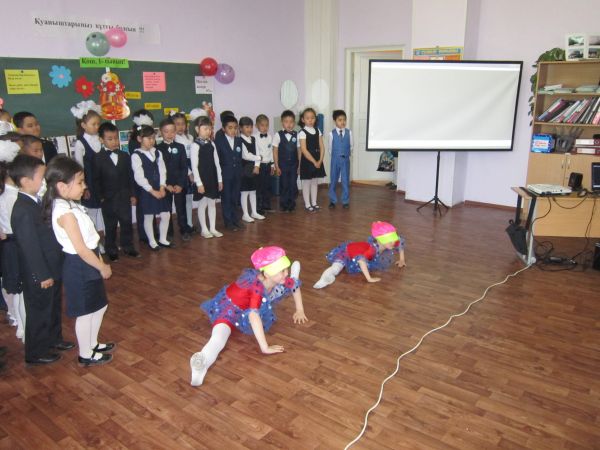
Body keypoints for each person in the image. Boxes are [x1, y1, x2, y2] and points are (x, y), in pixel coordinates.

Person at [190, 246, 307, 386]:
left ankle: (295, 275)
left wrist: (300, 310)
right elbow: (253, 316)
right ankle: (201, 364)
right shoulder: (256, 287)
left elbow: (293, 286)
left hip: (254, 302)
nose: (285, 273)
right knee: (218, 338)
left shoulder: (275, 279)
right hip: (228, 309)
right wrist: (265, 347)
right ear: (267, 273)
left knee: (283, 287)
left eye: (286, 270)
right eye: (282, 271)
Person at [44, 156, 114, 367]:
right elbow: (81, 249)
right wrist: (102, 266)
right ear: (62, 186)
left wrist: (99, 259)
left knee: (99, 306)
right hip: (80, 266)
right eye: (80, 182)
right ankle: (85, 353)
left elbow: (90, 241)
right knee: (86, 312)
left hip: (89, 261)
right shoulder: (64, 213)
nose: (84, 186)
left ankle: (92, 344)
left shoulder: (71, 205)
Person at [10, 154, 74, 365]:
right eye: (41, 177)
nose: (45, 181)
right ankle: (36, 352)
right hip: (39, 272)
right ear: (26, 181)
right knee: (39, 311)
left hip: (51, 266)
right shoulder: (22, 209)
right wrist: (42, 274)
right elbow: (30, 247)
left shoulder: (35, 202)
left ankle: (53, 339)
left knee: (52, 306)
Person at [93, 122, 139, 261]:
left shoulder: (125, 156)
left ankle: (128, 246)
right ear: (101, 140)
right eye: (110, 139)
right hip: (108, 198)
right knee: (110, 225)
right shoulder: (97, 158)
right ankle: (111, 249)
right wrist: (101, 197)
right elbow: (95, 180)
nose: (114, 142)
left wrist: (132, 194)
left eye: (116, 138)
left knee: (126, 222)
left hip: (124, 196)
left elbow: (130, 177)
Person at [313, 221, 406, 289]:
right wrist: (369, 279)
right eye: (389, 240)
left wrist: (402, 259)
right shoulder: (371, 250)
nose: (393, 242)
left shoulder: (391, 242)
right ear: (380, 240)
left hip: (360, 253)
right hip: (346, 252)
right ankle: (323, 280)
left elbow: (400, 241)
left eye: (393, 239)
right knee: (336, 268)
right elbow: (361, 260)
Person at [131, 125, 172, 251]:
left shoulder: (157, 152)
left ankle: (163, 239)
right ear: (139, 139)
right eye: (148, 138)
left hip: (159, 188)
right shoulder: (136, 155)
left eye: (153, 138)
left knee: (166, 215)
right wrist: (152, 191)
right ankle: (152, 241)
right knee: (149, 216)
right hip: (147, 191)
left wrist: (162, 187)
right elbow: (139, 177)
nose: (152, 141)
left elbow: (162, 171)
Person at [70, 101, 105, 250]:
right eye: (93, 124)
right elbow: (79, 168)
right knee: (92, 214)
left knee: (103, 213)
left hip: (103, 182)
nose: (97, 127)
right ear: (83, 125)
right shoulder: (80, 143)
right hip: (90, 183)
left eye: (98, 124)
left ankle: (105, 240)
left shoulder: (101, 140)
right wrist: (85, 188)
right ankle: (95, 243)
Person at [0, 140, 25, 341]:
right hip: (15, 243)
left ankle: (21, 321)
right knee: (19, 289)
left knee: (20, 289)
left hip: (14, 242)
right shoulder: (9, 196)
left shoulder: (10, 193)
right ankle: (21, 324)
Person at [156, 117, 191, 242]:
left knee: (181, 208)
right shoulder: (157, 149)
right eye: (166, 131)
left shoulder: (180, 147)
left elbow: (184, 167)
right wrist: (166, 184)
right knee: (167, 210)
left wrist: (180, 184)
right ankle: (169, 232)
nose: (169, 134)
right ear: (161, 132)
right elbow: (158, 169)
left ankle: (184, 230)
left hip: (179, 184)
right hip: (166, 185)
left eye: (172, 131)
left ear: (175, 132)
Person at [191, 116, 223, 238]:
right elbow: (194, 166)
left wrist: (219, 179)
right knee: (203, 203)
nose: (208, 131)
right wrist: (199, 183)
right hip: (202, 180)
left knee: (212, 203)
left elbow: (217, 163)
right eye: (205, 129)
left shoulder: (212, 144)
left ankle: (213, 228)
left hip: (212, 178)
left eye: (210, 129)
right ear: (197, 129)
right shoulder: (195, 145)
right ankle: (204, 229)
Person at [214, 115, 244, 231]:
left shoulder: (239, 140)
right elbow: (217, 160)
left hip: (237, 174)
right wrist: (219, 178)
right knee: (226, 198)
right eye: (230, 128)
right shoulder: (219, 142)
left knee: (235, 197)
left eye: (235, 128)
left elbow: (240, 157)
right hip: (225, 175)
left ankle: (235, 219)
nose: (233, 130)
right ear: (223, 128)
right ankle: (228, 222)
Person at [173, 111, 197, 234]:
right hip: (181, 171)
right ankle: (183, 226)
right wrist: (189, 173)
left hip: (191, 166)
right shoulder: (174, 140)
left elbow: (193, 156)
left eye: (183, 124)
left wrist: (194, 171)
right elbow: (180, 161)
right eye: (177, 124)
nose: (180, 127)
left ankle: (189, 224)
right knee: (181, 201)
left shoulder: (190, 137)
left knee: (189, 199)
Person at [298, 107, 326, 212]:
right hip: (307, 160)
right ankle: (307, 204)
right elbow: (304, 150)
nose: (310, 120)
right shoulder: (302, 132)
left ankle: (314, 203)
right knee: (306, 183)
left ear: (315, 119)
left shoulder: (317, 130)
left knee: (315, 182)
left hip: (317, 159)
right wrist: (314, 162)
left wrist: (320, 160)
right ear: (303, 119)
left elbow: (322, 147)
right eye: (307, 118)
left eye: (312, 118)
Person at [273, 110, 299, 212]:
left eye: (291, 122)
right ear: (282, 122)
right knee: (284, 184)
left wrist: (299, 165)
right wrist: (276, 166)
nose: (289, 124)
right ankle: (284, 204)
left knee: (292, 184)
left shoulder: (297, 135)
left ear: (294, 123)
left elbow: (299, 151)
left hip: (294, 164)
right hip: (282, 164)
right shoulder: (278, 135)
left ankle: (291, 203)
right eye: (286, 121)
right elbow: (275, 151)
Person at [239, 116, 264, 223]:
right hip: (244, 170)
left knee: (253, 191)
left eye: (250, 127)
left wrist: (257, 166)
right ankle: (245, 214)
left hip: (254, 169)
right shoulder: (239, 140)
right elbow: (246, 155)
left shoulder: (253, 139)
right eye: (246, 127)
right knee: (245, 192)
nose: (249, 129)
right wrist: (259, 158)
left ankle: (254, 212)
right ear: (240, 128)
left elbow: (258, 152)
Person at [328, 110, 352, 209]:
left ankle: (345, 200)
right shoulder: (331, 134)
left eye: (344, 120)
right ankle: (332, 200)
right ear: (335, 121)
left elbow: (351, 146)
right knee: (333, 179)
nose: (343, 122)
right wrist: (336, 156)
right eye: (340, 120)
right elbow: (330, 148)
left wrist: (346, 154)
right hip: (335, 160)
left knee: (345, 180)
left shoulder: (349, 133)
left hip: (345, 160)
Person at [254, 114, 275, 214]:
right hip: (260, 166)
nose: (265, 127)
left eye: (267, 125)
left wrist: (272, 165)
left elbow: (271, 152)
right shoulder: (254, 138)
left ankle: (266, 206)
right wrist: (257, 166)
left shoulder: (270, 137)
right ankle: (259, 208)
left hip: (268, 165)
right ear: (256, 126)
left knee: (267, 186)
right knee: (260, 187)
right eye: (262, 125)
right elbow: (256, 153)